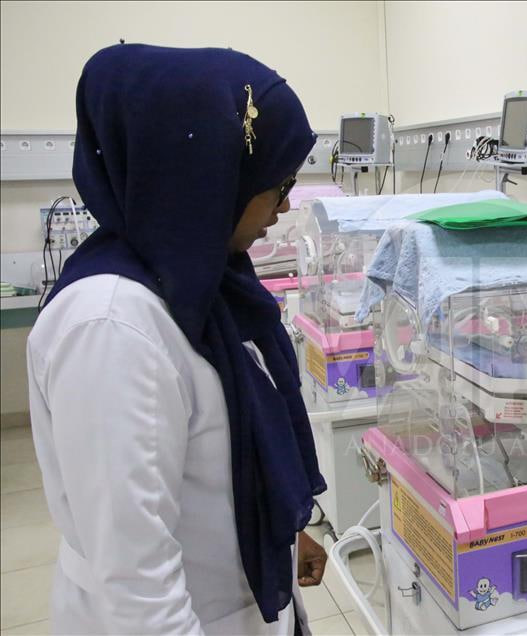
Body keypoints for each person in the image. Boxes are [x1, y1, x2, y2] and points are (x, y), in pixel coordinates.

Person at [27, 43, 329, 634]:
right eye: (277, 182)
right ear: (210, 175)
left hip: (243, 599)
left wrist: (285, 534)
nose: (285, 204)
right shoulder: (112, 329)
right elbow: (139, 590)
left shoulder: (210, 284)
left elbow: (226, 458)